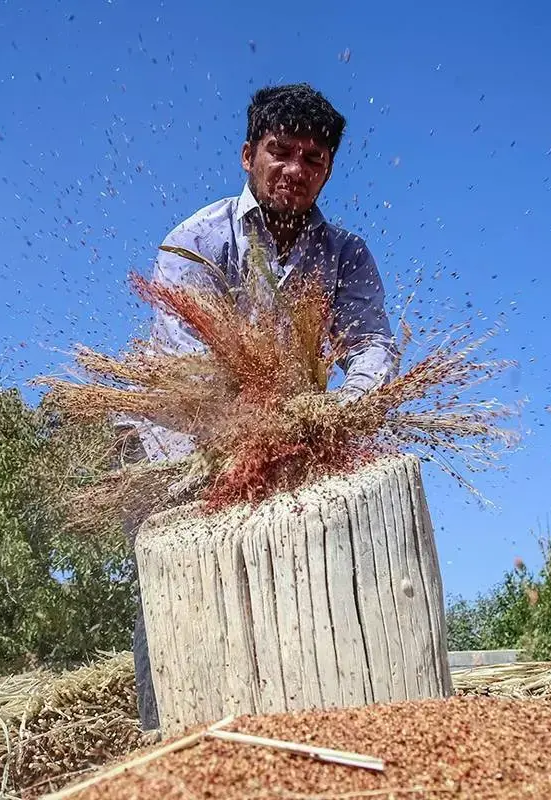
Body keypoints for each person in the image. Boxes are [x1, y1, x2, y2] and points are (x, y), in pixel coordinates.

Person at [119, 82, 400, 731]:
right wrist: (248, 433)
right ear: (248, 154)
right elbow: (187, 366)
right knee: (181, 603)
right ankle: (163, 750)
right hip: (184, 451)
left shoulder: (345, 254)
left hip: (288, 448)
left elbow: (373, 342)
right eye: (281, 151)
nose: (295, 170)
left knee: (301, 600)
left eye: (313, 159)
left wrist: (346, 407)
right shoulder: (196, 240)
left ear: (328, 169)